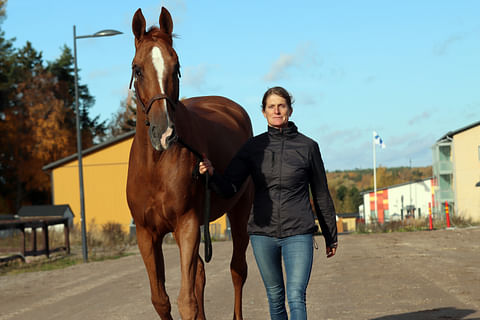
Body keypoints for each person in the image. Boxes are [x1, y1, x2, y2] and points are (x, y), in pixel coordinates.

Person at [199, 86, 337, 320]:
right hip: (263, 235)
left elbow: (321, 193)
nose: (276, 110)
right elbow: (230, 186)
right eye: (271, 106)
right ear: (263, 112)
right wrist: (211, 174)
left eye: (281, 106)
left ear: (290, 110)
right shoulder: (253, 148)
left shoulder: (308, 147)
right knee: (274, 297)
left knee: (295, 296)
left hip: (299, 233)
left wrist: (330, 234)